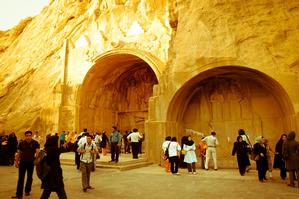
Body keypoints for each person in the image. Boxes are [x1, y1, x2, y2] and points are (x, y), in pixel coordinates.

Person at [12, 131, 40, 199]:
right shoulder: (21, 143)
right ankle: (19, 194)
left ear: (31, 135)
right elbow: (19, 153)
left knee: (29, 177)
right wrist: (16, 161)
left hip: (31, 163)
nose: (28, 137)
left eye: (29, 135)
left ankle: (27, 190)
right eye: (27, 135)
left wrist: (36, 160)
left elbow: (37, 152)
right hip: (22, 163)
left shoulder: (35, 143)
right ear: (25, 136)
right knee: (20, 178)